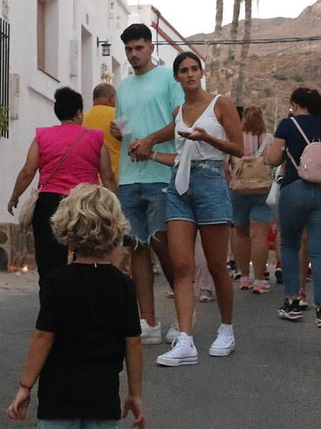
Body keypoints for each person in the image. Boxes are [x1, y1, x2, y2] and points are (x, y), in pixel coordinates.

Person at [7, 185, 145, 429]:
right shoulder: (123, 286)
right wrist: (135, 393)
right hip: (102, 395)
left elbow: (43, 337)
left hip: (59, 395)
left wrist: (25, 386)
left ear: (65, 228)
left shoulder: (57, 282)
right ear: (115, 229)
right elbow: (133, 343)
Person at [148, 51, 243, 366]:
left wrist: (208, 138)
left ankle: (226, 328)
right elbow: (170, 137)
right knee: (181, 265)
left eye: (193, 69)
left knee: (216, 265)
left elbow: (239, 148)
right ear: (177, 77)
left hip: (212, 181)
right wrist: (147, 144)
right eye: (183, 70)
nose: (189, 74)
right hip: (180, 185)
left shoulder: (221, 104)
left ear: (201, 73)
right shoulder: (179, 111)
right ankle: (185, 338)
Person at [110, 23, 183, 344]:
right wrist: (118, 131)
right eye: (128, 49)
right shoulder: (123, 87)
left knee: (162, 244)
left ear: (151, 48)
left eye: (139, 48)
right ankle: (148, 320)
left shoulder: (168, 78)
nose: (133, 54)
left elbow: (181, 121)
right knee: (137, 246)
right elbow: (126, 127)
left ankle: (183, 314)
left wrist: (151, 140)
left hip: (161, 174)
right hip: (129, 177)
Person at [6, 86, 112, 289]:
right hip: (85, 204)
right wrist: (114, 205)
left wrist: (14, 197)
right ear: (79, 113)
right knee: (87, 258)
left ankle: (50, 302)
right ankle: (81, 301)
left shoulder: (42, 136)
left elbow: (28, 171)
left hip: (49, 203)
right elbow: (107, 175)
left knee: (49, 263)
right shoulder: (95, 138)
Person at [263, 86, 321, 328]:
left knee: (290, 245)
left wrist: (271, 155)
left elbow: (274, 159)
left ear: (294, 104)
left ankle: (293, 302)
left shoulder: (287, 125)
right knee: (319, 250)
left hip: (295, 189)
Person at [228, 104, 275, 294]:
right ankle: (259, 279)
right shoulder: (269, 139)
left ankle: (244, 277)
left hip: (238, 190)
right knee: (259, 236)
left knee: (240, 232)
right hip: (263, 190)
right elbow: (274, 162)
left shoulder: (235, 139)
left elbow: (226, 163)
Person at [82, 82, 118, 189]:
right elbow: (131, 141)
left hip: (89, 182)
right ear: (111, 98)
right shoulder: (119, 115)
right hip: (115, 179)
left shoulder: (82, 119)